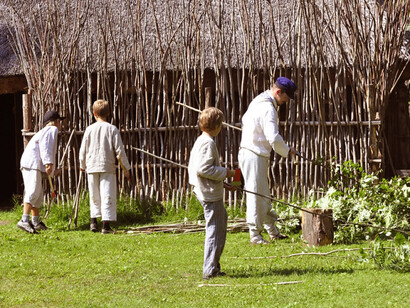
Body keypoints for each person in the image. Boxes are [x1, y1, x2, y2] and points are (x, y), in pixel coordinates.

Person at [238, 77, 297, 245]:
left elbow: (247, 122)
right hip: (253, 154)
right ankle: (255, 235)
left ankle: (272, 231)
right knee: (256, 195)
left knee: (264, 195)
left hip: (255, 153)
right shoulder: (267, 108)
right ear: (279, 92)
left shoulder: (259, 100)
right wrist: (286, 150)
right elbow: (273, 137)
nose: (286, 101)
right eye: (286, 97)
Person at [188, 107, 236, 279]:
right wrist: (226, 172)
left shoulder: (202, 140)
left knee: (220, 223)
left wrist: (223, 184)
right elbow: (203, 169)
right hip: (208, 193)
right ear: (216, 125)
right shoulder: (207, 143)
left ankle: (214, 264)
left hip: (209, 189)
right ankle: (210, 269)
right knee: (215, 230)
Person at [79, 99, 131, 234]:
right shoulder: (112, 129)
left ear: (94, 114)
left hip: (92, 165)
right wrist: (126, 169)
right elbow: (119, 150)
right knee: (107, 193)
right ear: (108, 113)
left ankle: (93, 222)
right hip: (107, 166)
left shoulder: (89, 129)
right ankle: (105, 225)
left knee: (94, 194)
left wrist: (82, 164)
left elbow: (83, 149)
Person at [18, 110, 64, 233]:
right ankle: (24, 220)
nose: (60, 126)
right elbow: (46, 147)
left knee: (38, 194)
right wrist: (48, 163)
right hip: (31, 163)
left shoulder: (46, 131)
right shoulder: (51, 130)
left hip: (33, 164)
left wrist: (52, 170)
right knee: (33, 191)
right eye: (60, 122)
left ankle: (35, 221)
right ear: (56, 122)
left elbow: (45, 150)